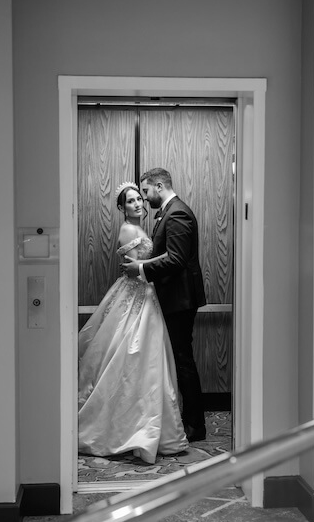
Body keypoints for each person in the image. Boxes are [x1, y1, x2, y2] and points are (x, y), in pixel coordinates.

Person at [78, 182, 189, 464]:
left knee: (148, 361)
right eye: (130, 201)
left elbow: (152, 261)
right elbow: (132, 269)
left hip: (148, 294)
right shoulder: (129, 230)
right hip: (137, 295)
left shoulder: (144, 229)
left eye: (139, 199)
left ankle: (146, 423)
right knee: (130, 355)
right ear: (122, 208)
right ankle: (129, 426)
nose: (138, 204)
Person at [123, 168, 207, 442]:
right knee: (180, 358)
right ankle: (187, 419)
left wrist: (142, 268)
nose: (144, 199)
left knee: (183, 360)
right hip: (173, 297)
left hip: (180, 299)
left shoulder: (178, 213)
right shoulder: (169, 212)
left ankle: (195, 425)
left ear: (159, 186)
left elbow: (177, 259)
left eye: (146, 192)